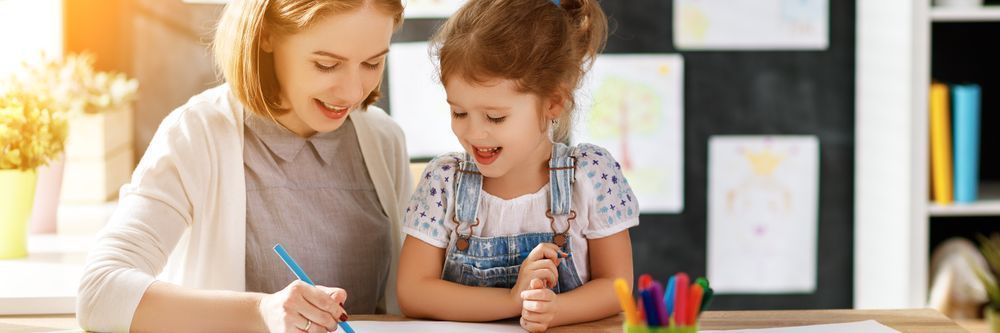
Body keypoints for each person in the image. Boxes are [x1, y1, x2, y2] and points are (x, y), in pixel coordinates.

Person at [76, 1, 409, 332]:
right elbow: (100, 292)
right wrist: (261, 311)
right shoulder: (197, 133)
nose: (353, 91)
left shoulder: (383, 140)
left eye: (372, 63)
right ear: (266, 36)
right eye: (326, 64)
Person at [396, 0, 638, 331]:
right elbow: (413, 292)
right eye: (459, 112)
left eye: (495, 117)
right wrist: (512, 300)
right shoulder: (444, 181)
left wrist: (556, 310)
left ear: (553, 102)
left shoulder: (590, 176)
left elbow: (616, 286)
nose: (473, 132)